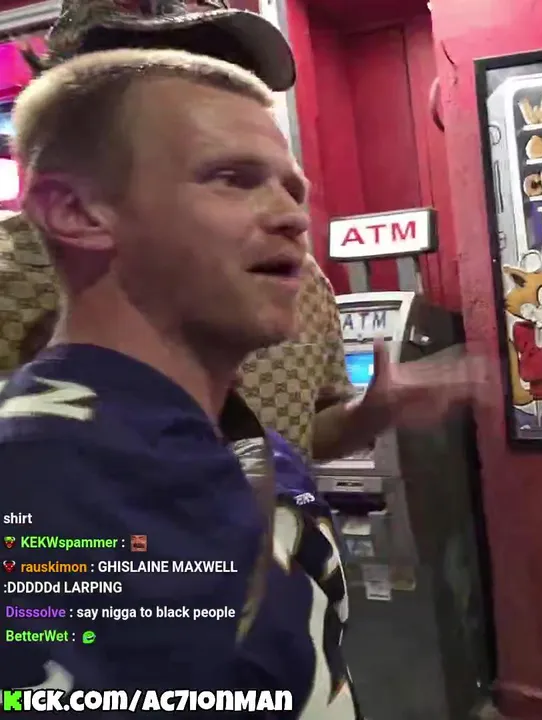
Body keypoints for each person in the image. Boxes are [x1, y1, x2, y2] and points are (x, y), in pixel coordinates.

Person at [0, 48, 357, 716]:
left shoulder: (255, 450)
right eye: (233, 178)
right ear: (75, 210)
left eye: (292, 189)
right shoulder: (33, 478)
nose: (293, 216)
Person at [0, 0, 479, 462]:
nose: (209, 91)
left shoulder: (300, 281)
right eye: (155, 69)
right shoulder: (12, 270)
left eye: (224, 69)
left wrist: (370, 414)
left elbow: (301, 432)